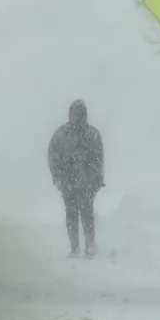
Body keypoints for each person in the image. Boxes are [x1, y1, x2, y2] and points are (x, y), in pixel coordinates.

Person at [47, 99, 104, 258]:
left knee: (84, 213)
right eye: (76, 113)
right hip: (70, 182)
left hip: (83, 182)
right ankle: (77, 247)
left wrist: (98, 179)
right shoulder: (63, 135)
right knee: (75, 214)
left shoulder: (91, 135)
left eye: (80, 113)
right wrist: (57, 177)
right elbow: (53, 157)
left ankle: (87, 245)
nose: (78, 117)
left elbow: (98, 159)